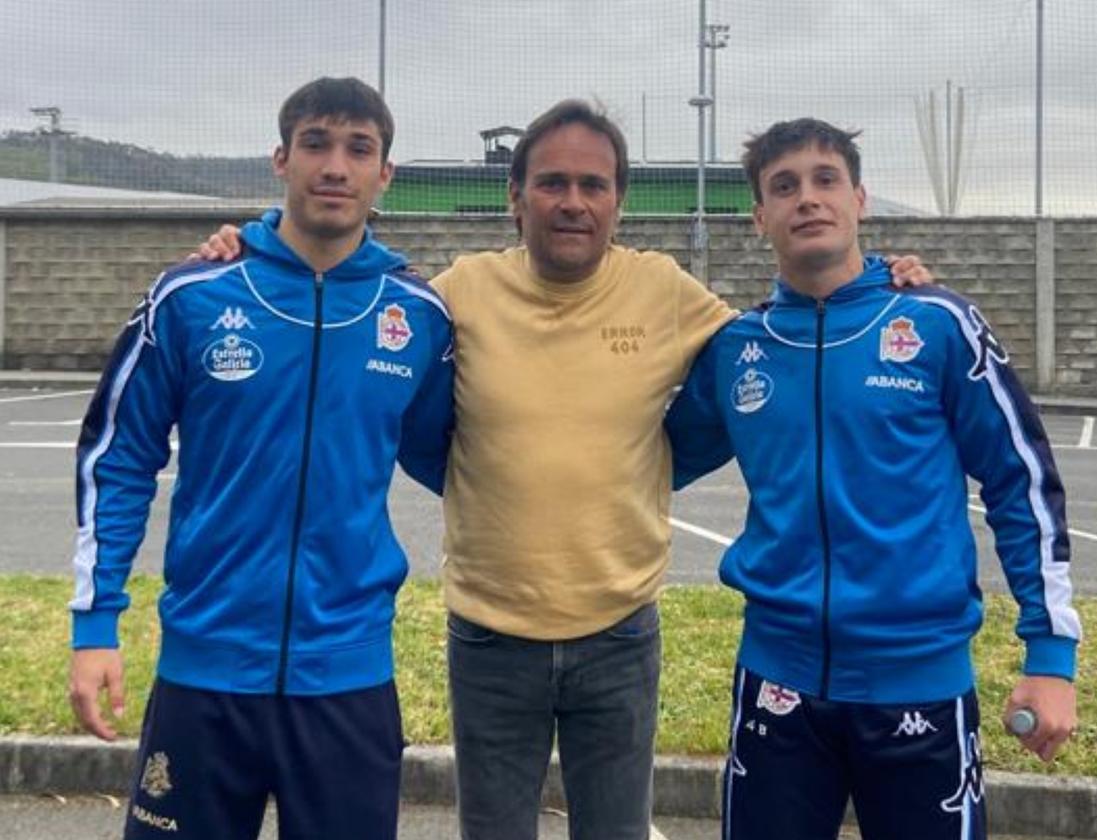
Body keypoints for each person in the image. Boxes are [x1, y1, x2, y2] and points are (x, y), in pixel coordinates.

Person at [194, 100, 932, 840]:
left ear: (618, 202)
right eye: (551, 183)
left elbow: (773, 346)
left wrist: (880, 281)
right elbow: (396, 392)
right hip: (489, 638)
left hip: (618, 637)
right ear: (515, 198)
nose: (573, 202)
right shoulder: (457, 294)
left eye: (593, 184)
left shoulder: (665, 291)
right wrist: (250, 247)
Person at [665, 117, 1081, 840]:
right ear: (760, 216)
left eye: (826, 180)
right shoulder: (738, 348)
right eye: (784, 186)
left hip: (920, 685)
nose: (808, 199)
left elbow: (1022, 483)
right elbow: (643, 459)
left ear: (860, 199)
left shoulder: (938, 325)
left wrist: (1050, 656)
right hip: (777, 683)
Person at [67, 77, 454, 840]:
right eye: (315, 143)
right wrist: (94, 625)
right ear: (280, 159)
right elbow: (117, 460)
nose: (335, 166)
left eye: (358, 148)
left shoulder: (418, 315)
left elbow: (457, 459)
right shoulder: (192, 296)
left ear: (387, 174)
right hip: (205, 671)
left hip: (347, 676)